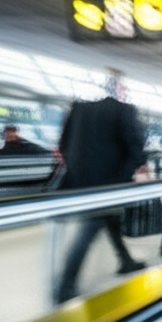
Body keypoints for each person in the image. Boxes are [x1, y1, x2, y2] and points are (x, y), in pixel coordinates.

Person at [56, 70, 149, 304]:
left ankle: (125, 260)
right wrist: (139, 166)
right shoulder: (124, 110)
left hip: (80, 179)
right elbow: (135, 144)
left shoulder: (77, 109)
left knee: (110, 221)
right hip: (110, 182)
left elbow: (63, 145)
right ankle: (64, 287)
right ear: (119, 89)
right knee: (89, 230)